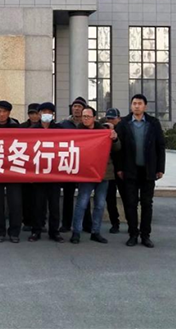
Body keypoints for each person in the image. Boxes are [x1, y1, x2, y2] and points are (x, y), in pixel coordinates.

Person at [115, 94, 166, 248]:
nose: (136, 106)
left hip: (148, 170)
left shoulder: (153, 123)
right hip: (130, 170)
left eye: (139, 103)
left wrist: (160, 168)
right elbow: (118, 149)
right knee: (130, 203)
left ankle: (145, 235)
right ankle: (133, 234)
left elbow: (160, 146)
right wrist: (119, 168)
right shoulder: (124, 124)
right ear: (131, 106)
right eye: (134, 103)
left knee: (147, 204)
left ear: (145, 106)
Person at [70, 106, 120, 244]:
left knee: (100, 204)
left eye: (88, 116)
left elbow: (117, 148)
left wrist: (115, 138)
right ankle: (76, 232)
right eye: (83, 116)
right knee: (82, 203)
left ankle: (95, 232)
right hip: (86, 173)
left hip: (103, 173)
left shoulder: (103, 131)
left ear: (94, 118)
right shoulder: (77, 132)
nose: (85, 119)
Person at [27, 102, 65, 243]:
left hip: (54, 173)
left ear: (53, 114)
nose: (47, 114)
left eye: (49, 112)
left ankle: (54, 232)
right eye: (44, 112)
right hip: (38, 173)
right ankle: (36, 230)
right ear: (39, 114)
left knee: (54, 205)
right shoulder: (32, 130)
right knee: (38, 205)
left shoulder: (59, 129)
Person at [0, 100, 22, 243]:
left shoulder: (16, 127)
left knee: (15, 203)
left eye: (4, 112)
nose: (1, 114)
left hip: (13, 169)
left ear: (9, 113)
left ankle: (14, 232)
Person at [58, 96, 88, 234]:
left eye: (79, 107)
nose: (76, 109)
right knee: (68, 196)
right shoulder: (63, 124)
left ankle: (87, 224)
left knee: (85, 195)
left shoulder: (89, 124)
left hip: (84, 164)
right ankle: (66, 224)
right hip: (68, 164)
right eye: (75, 106)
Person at [19, 103, 41, 233]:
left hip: (41, 167)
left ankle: (40, 222)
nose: (34, 116)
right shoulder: (21, 127)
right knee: (26, 197)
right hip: (25, 167)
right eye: (31, 113)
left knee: (40, 198)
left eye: (36, 113)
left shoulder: (46, 128)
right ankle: (26, 221)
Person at [103, 108, 125, 233]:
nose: (110, 120)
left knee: (127, 198)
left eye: (113, 118)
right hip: (109, 170)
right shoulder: (103, 130)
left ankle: (132, 224)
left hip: (122, 169)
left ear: (119, 119)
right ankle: (114, 223)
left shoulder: (124, 130)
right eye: (108, 118)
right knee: (110, 199)